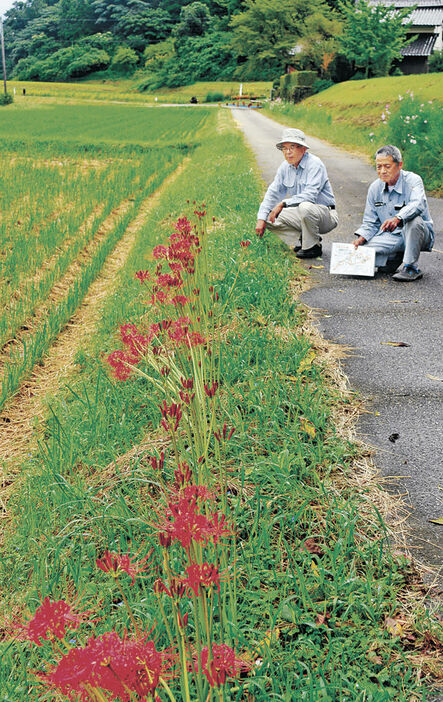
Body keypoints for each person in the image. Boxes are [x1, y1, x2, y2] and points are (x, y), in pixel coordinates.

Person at [353, 145, 434, 281]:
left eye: (387, 166)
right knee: (360, 254)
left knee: (413, 221)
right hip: (391, 237)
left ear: (399, 165)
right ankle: (394, 257)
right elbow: (370, 221)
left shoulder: (413, 180)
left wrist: (398, 218)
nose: (383, 171)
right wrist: (362, 238)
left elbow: (418, 204)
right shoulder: (374, 188)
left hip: (418, 234)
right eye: (379, 167)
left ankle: (411, 267)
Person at [255, 128, 338, 258]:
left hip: (325, 214)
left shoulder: (315, 164)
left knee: (305, 206)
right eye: (284, 148)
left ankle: (313, 247)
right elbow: (273, 193)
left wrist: (283, 203)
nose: (288, 152)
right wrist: (260, 219)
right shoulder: (285, 167)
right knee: (267, 217)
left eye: (292, 147)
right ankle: (306, 238)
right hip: (303, 214)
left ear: (303, 149)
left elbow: (310, 196)